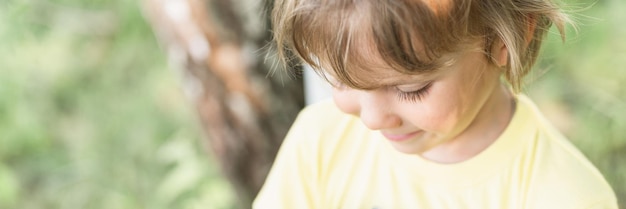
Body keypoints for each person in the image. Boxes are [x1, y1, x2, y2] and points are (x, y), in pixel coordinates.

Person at [253, 0, 618, 208]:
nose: (372, 119)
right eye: (341, 80)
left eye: (410, 88)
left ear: (505, 38)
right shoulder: (320, 141)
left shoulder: (566, 196)